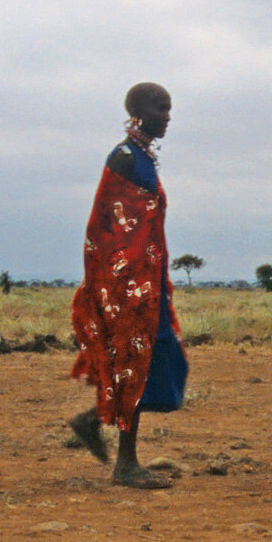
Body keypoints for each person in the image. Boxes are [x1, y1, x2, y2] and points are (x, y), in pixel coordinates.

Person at [66, 82, 190, 489]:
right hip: (127, 283)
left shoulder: (141, 159)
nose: (167, 117)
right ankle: (126, 463)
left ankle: (93, 421)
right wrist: (124, 281)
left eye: (170, 109)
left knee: (155, 361)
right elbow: (106, 228)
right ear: (137, 110)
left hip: (144, 280)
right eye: (160, 108)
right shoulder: (124, 158)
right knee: (133, 363)